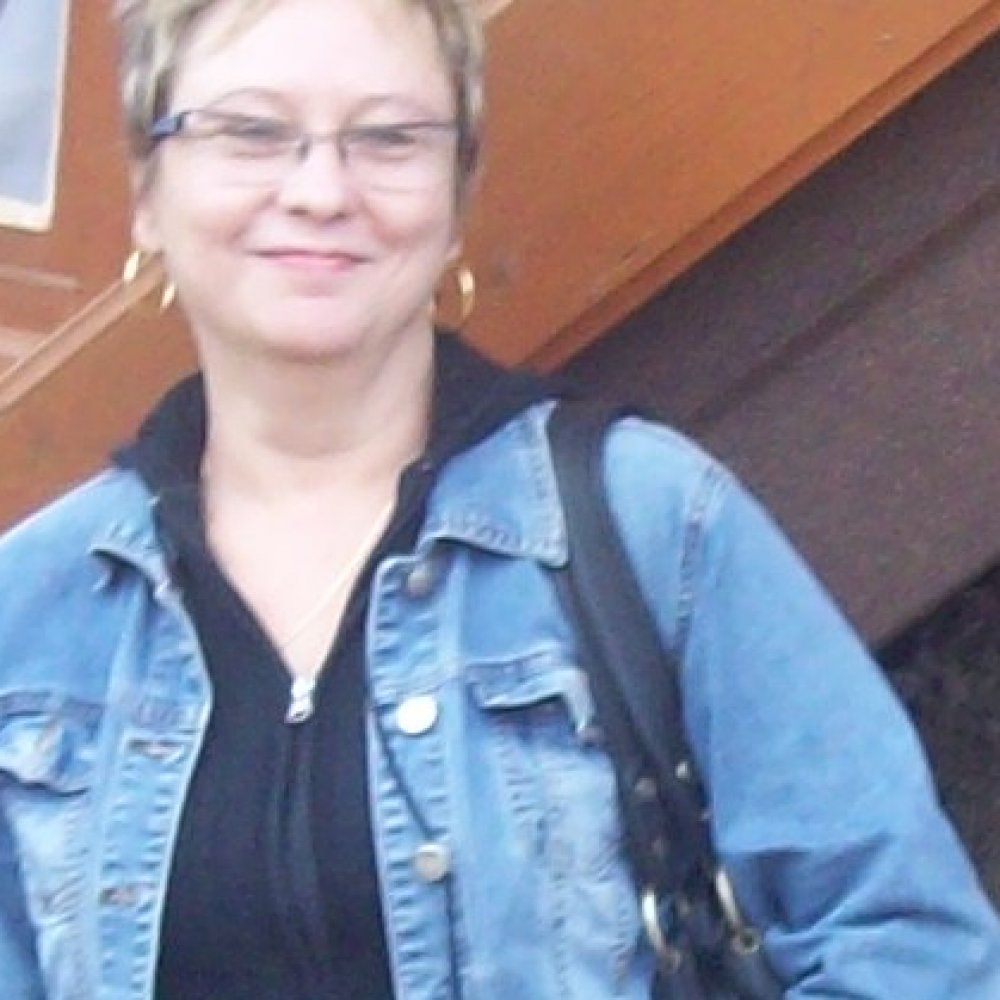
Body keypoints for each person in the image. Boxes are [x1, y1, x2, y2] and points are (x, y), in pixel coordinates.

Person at [0, 0, 998, 997]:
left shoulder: (649, 523)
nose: (319, 190)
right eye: (251, 132)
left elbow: (912, 949)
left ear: (457, 192)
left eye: (388, 137)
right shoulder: (32, 613)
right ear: (147, 187)